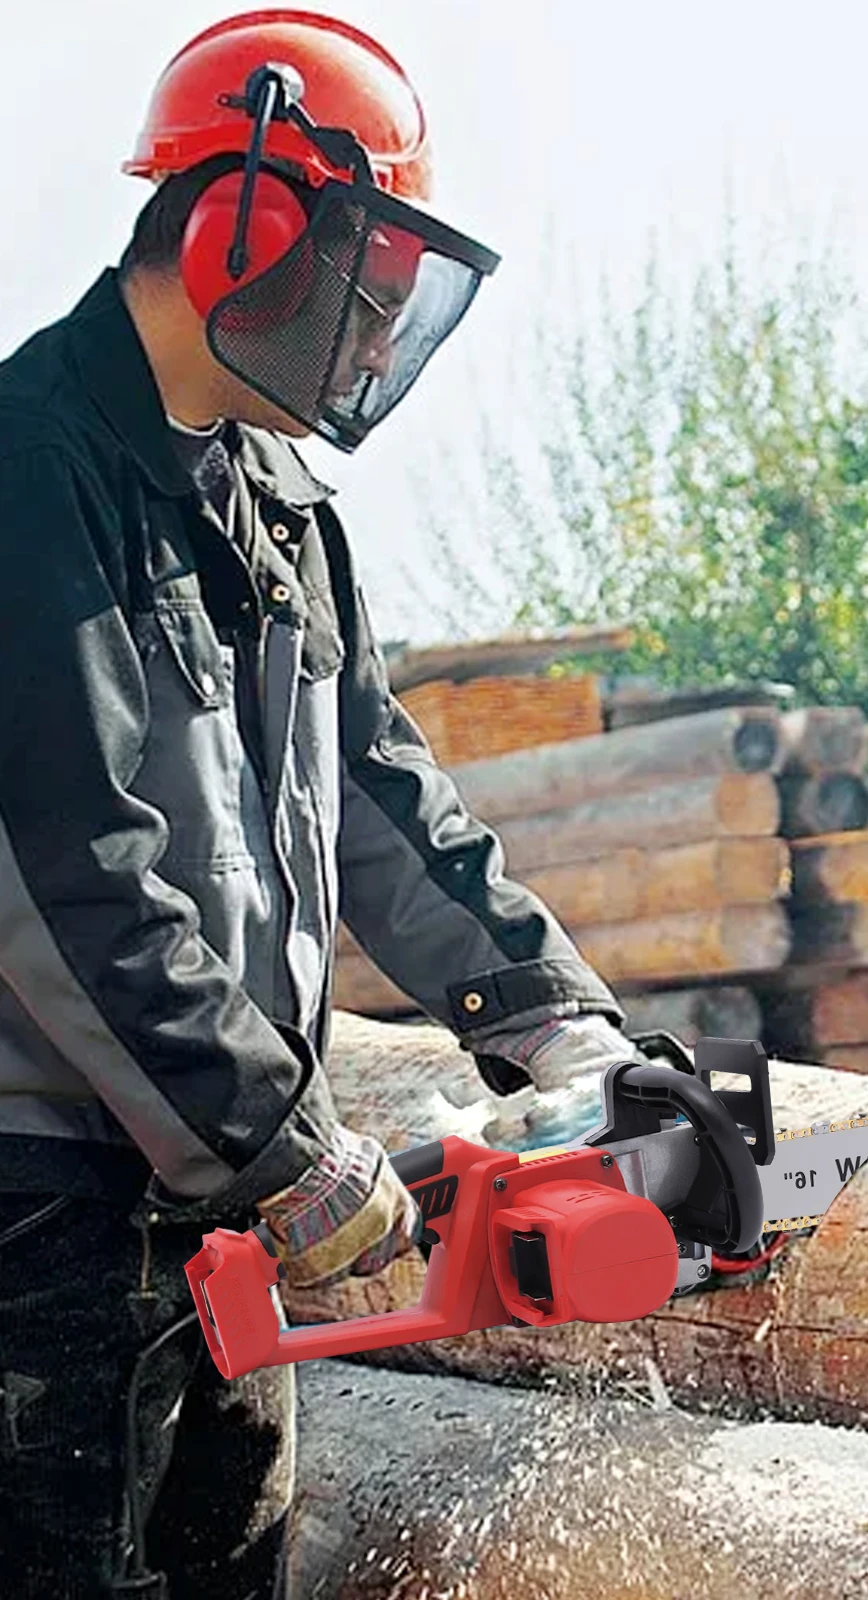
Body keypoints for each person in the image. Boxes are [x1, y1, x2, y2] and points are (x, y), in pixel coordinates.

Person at [0, 12, 646, 1597]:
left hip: (223, 1205)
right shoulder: (29, 471)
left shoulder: (277, 512)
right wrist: (284, 1150)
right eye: (366, 296)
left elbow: (382, 798)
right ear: (249, 229)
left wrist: (557, 1024)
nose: (375, 344)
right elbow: (60, 876)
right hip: (43, 1211)